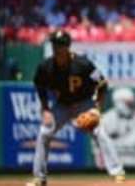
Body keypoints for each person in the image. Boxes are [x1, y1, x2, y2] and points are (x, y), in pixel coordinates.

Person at [27, 30, 124, 186]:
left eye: (60, 45)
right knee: (44, 132)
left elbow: (102, 83)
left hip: (84, 103)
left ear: (68, 47)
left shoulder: (83, 64)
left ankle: (118, 173)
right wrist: (45, 109)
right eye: (54, 44)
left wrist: (97, 108)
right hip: (62, 106)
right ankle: (39, 178)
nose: (56, 48)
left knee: (100, 133)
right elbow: (39, 84)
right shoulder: (46, 67)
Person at [101, 87, 135, 167]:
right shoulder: (106, 118)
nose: (132, 105)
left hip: (132, 158)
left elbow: (134, 142)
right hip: (110, 158)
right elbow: (100, 141)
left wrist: (113, 142)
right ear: (119, 102)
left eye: (132, 102)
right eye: (129, 103)